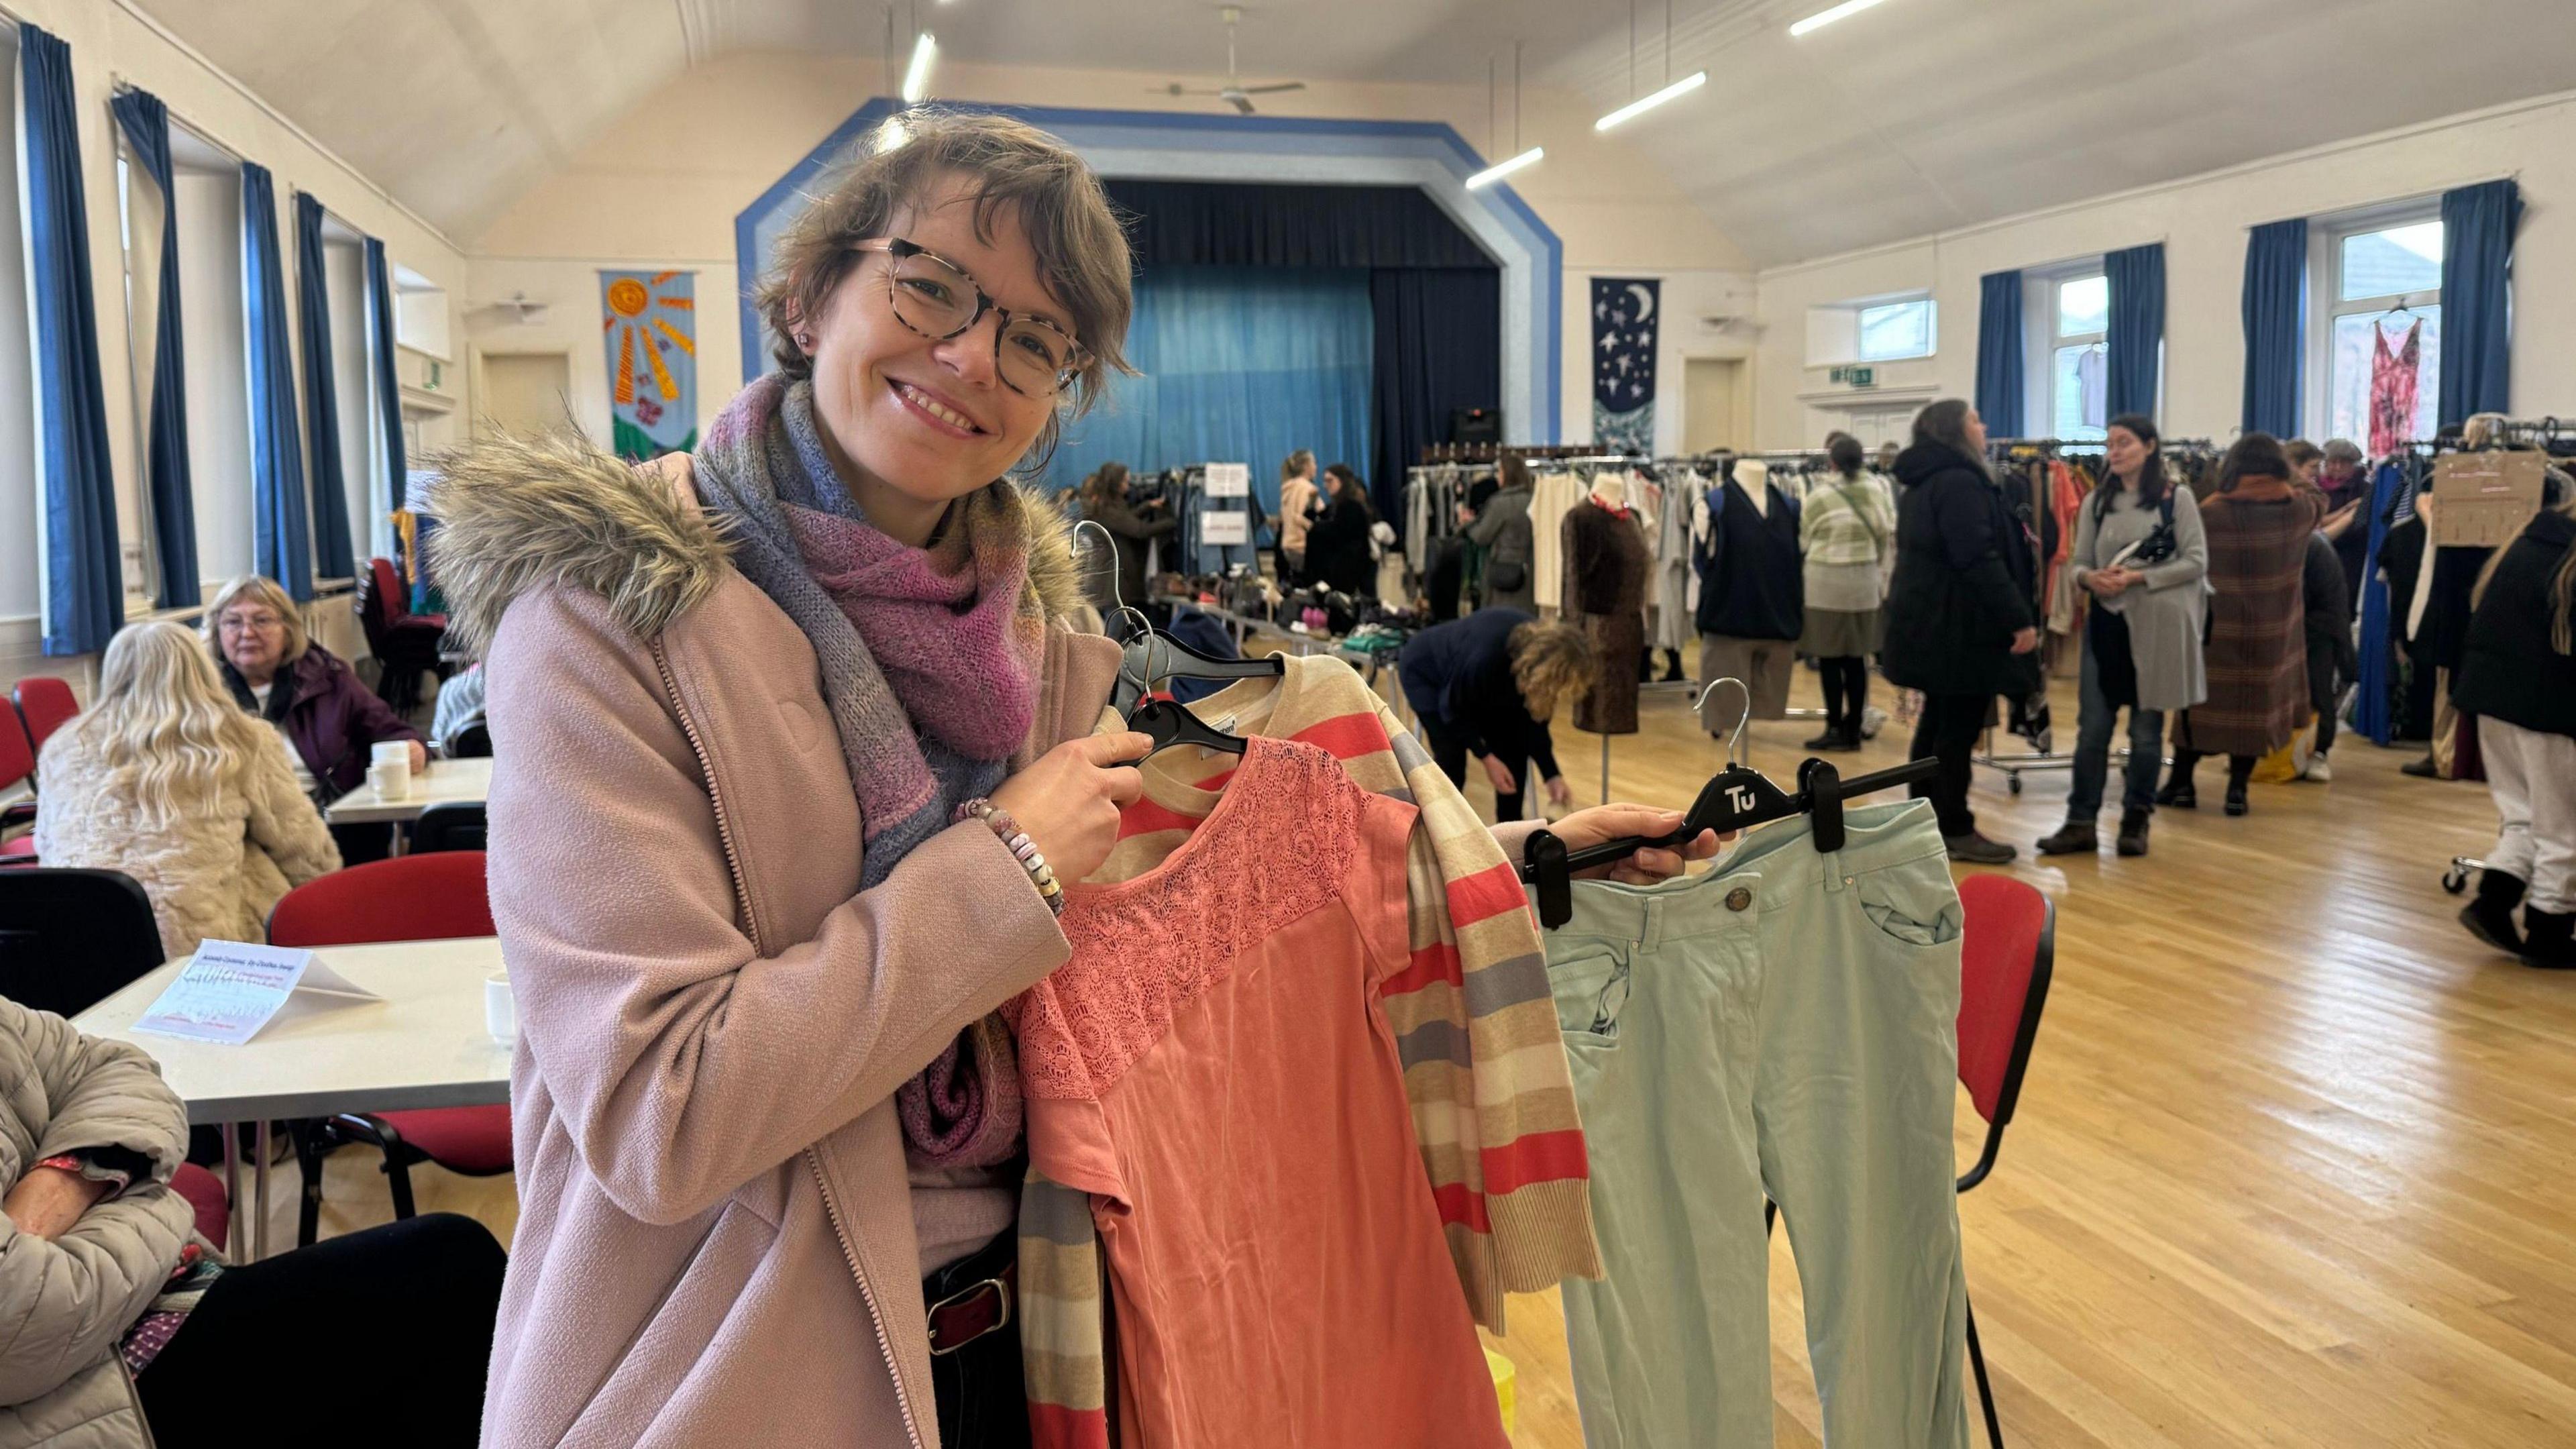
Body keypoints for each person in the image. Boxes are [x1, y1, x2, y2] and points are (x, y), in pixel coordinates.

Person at [424, 109, 1710, 1446]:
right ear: (811, 296)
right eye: (931, 286)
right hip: (739, 1372)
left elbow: (1204, 933)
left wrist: (1544, 867)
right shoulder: (607, 620)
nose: (972, 355)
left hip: (1050, 1349)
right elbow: (660, 1117)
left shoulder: (1033, 651)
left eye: (1037, 338)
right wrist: (1009, 870)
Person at [0, 993, 506, 1448]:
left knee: (437, 1289)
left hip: (133, 1302)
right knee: (450, 1272)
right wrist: (134, 1178)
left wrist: (68, 1176)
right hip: (72, 1395)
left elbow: (115, 1068)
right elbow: (26, 1326)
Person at [32, 621, 339, 960]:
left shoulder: (62, 747)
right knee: (259, 858)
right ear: (202, 670)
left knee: (241, 853)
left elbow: (46, 847)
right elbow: (304, 851)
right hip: (205, 956)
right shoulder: (240, 738)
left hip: (81, 947)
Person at [2037, 415, 2207, 859]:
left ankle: (2136, 820)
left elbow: (2196, 562)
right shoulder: (2096, 501)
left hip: (2157, 631)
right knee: (2093, 729)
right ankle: (2080, 822)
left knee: (2147, 732)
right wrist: (2091, 578)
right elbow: (2077, 564)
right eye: (2111, 443)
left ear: (2150, 446)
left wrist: (2137, 578)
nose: (2115, 450)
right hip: (2107, 627)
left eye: (2125, 442)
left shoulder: (2178, 499)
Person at [1881, 399, 2040, 865]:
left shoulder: (1926, 482)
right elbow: (1977, 557)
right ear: (1955, 430)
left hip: (1934, 624)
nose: (1983, 424)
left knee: (1938, 726)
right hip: (1956, 629)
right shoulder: (1958, 482)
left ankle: (1923, 824)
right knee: (1955, 731)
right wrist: (2019, 617)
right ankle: (1951, 826)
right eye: (1974, 418)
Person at [204, 573, 425, 863]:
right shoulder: (203, 692)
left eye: (261, 620)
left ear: (288, 629)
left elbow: (395, 733)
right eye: (233, 622)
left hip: (324, 818)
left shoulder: (329, 678)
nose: (247, 633)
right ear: (217, 631)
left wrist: (413, 748)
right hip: (239, 827)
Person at [2159, 433, 2322, 817]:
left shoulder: (2208, 513)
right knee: (2254, 713)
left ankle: (2181, 784)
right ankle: (2237, 792)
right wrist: (2290, 478)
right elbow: (2317, 495)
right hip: (2271, 634)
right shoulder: (2298, 511)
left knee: (2197, 709)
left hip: (2216, 631)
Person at [2451, 474, 2576, 968]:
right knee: (2565, 827)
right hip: (2549, 707)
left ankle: (2494, 902)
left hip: (2493, 700)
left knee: (2524, 815)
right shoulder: (2568, 559)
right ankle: (2549, 931)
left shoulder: (2528, 540)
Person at [1397, 607, 1589, 823]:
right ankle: (1443, 830)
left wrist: (1552, 774)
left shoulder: (1532, 665)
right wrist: (1487, 757)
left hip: (1480, 683)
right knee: (1452, 758)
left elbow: (1533, 724)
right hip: (1427, 673)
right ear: (1544, 671)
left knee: (1515, 751)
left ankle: (1511, 834)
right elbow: (1452, 710)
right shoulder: (1485, 659)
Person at [1796, 433, 1895, 753]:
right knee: (1857, 660)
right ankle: (1854, 730)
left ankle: (1833, 727)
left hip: (1824, 583)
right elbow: (1886, 530)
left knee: (1828, 659)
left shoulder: (1820, 494)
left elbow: (1804, 537)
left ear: (1832, 462)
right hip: (1864, 583)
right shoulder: (1877, 490)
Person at [2298, 525, 2359, 782]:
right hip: (2304, 624)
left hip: (2320, 629)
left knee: (2318, 689)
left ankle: (2319, 752)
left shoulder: (2311, 546)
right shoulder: (2306, 543)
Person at [1076, 460, 1175, 609]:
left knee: (1113, 626)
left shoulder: (1106, 506)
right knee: (1114, 628)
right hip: (1112, 583)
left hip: (1109, 579)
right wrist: (1174, 522)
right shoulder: (1109, 510)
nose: (1128, 487)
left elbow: (1126, 519)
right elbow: (1140, 530)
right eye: (1125, 482)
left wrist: (1148, 506)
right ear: (1116, 484)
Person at [1466, 454, 1538, 611]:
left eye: (1500, 472)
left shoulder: (1500, 503)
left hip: (1503, 572)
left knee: (1501, 620)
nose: (1498, 476)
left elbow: (1481, 536)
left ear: (1507, 474)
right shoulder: (1535, 499)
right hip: (1530, 569)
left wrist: (1469, 524)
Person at [1303, 462, 1379, 596]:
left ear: (1342, 481)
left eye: (1330, 481)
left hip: (1351, 572)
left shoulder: (1352, 506)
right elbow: (1314, 518)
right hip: (1338, 571)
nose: (1326, 485)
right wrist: (1311, 503)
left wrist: (1314, 527)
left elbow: (1338, 531)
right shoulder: (1335, 507)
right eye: (1325, 481)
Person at [2314, 438, 2371, 611]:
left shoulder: (2364, 489)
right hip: (2318, 553)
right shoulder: (2314, 486)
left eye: (2344, 463)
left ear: (2353, 465)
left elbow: (2360, 527)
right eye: (2333, 462)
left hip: (2350, 555)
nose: (2337, 467)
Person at [1275, 448, 1320, 583]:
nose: (1316, 467)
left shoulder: (1288, 490)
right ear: (1306, 466)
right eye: (1314, 463)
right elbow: (1302, 518)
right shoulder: (1307, 489)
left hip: (1288, 546)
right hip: (1303, 546)